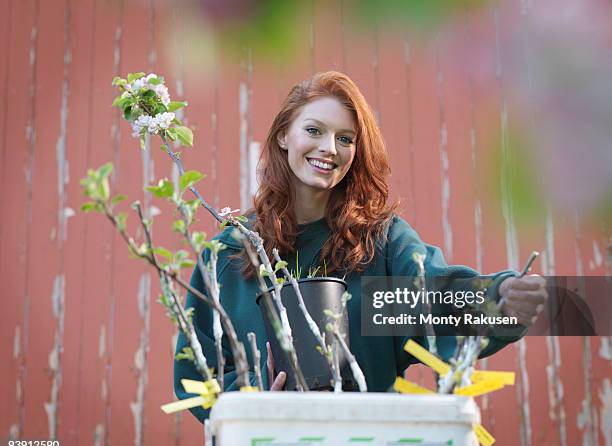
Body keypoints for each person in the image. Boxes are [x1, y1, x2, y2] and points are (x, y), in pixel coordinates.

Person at [173, 71, 547, 423]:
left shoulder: (380, 244)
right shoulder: (230, 254)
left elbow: (433, 294)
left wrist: (500, 298)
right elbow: (197, 375)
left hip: (370, 439)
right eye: (314, 130)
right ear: (284, 136)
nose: (329, 148)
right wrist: (256, 394)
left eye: (345, 138)